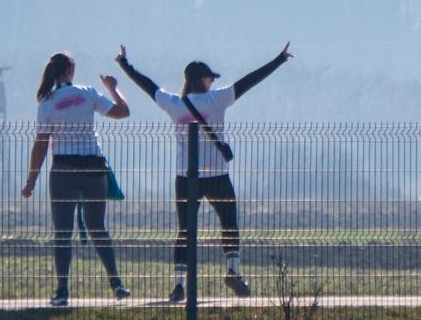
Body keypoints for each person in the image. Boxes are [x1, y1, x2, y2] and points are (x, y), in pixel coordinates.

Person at [115, 42, 292, 301]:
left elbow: (148, 86)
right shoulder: (216, 99)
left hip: (186, 177)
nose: (212, 82)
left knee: (185, 231)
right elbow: (249, 81)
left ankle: (178, 286)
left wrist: (125, 65)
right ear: (201, 80)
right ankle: (232, 271)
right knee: (229, 224)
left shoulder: (174, 103)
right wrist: (279, 60)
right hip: (217, 175)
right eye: (210, 78)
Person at [21, 51, 132, 306]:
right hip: (94, 167)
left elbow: (40, 146)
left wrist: (31, 182)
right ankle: (116, 283)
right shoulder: (88, 93)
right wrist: (114, 89)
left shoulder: (46, 103)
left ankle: (62, 291)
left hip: (63, 170)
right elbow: (122, 112)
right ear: (71, 71)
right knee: (98, 227)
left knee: (62, 232)